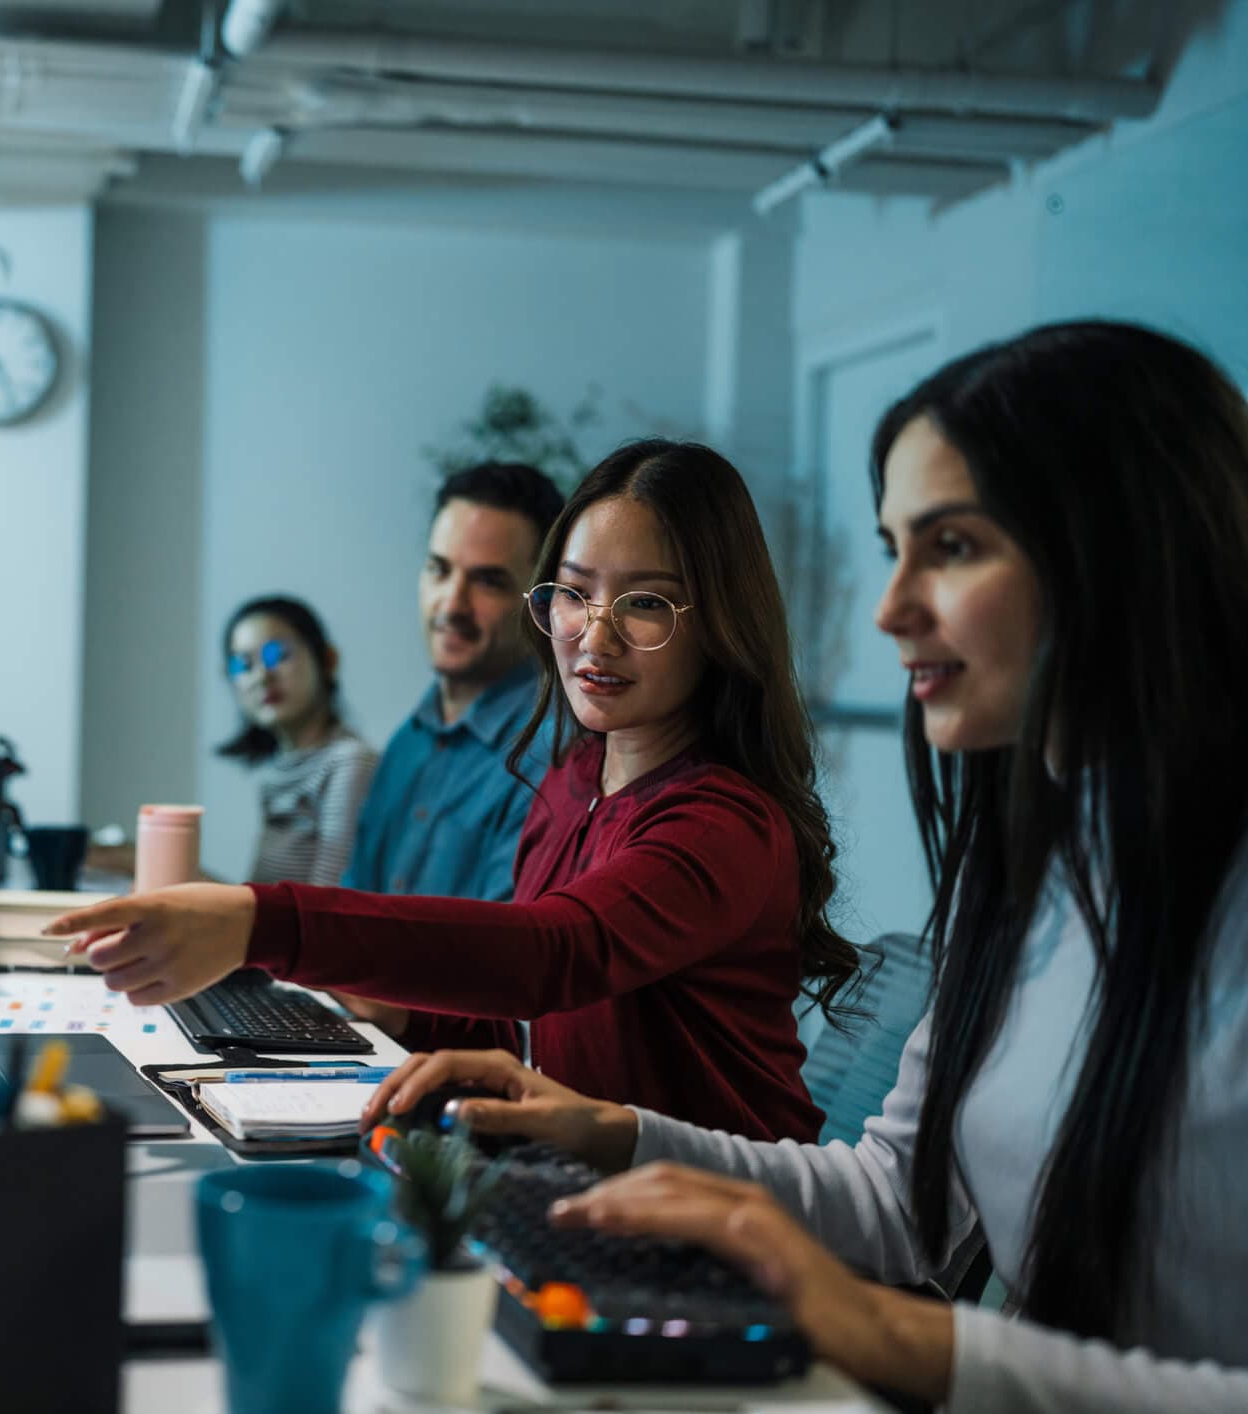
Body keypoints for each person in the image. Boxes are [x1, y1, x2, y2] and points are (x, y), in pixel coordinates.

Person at [364, 322, 1248, 1411]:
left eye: (955, 547)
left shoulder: (722, 817)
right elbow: (897, 1196)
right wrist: (611, 1133)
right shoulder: (1020, 867)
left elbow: (561, 951)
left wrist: (903, 1335)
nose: (891, 609)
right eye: (894, 550)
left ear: (1123, 552)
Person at [48, 440, 860, 1142]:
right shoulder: (573, 778)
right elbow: (533, 1027)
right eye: (573, 593)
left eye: (644, 604)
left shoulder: (721, 824)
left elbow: (553, 953)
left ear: (717, 619)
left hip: (727, 1236)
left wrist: (261, 919)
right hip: (594, 1196)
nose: (594, 633)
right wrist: (405, 1015)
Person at [341, 461, 566, 902]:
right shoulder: (407, 742)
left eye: (488, 581)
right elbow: (350, 913)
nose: (452, 604)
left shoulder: (551, 754)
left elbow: (505, 949)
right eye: (439, 570)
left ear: (543, 598)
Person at [217, 595, 377, 887]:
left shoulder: (349, 761)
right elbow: (260, 898)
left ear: (327, 660)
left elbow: (324, 907)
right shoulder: (279, 771)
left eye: (277, 655)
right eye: (243, 664)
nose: (262, 676)